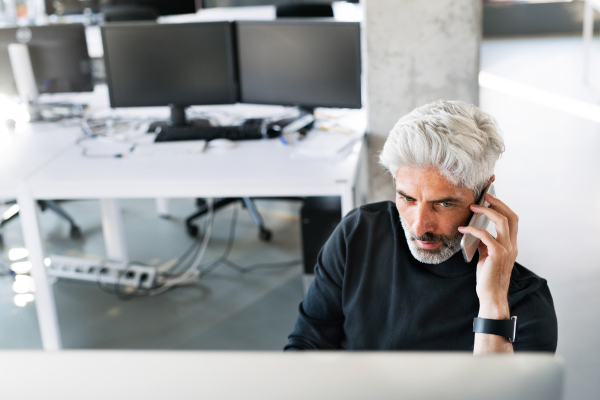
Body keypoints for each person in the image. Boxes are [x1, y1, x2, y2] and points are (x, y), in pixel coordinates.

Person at [285, 100, 557, 354]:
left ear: (485, 194)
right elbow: (308, 341)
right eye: (407, 198)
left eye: (444, 204)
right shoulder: (358, 233)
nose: (419, 225)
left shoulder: (526, 303)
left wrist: (493, 304)